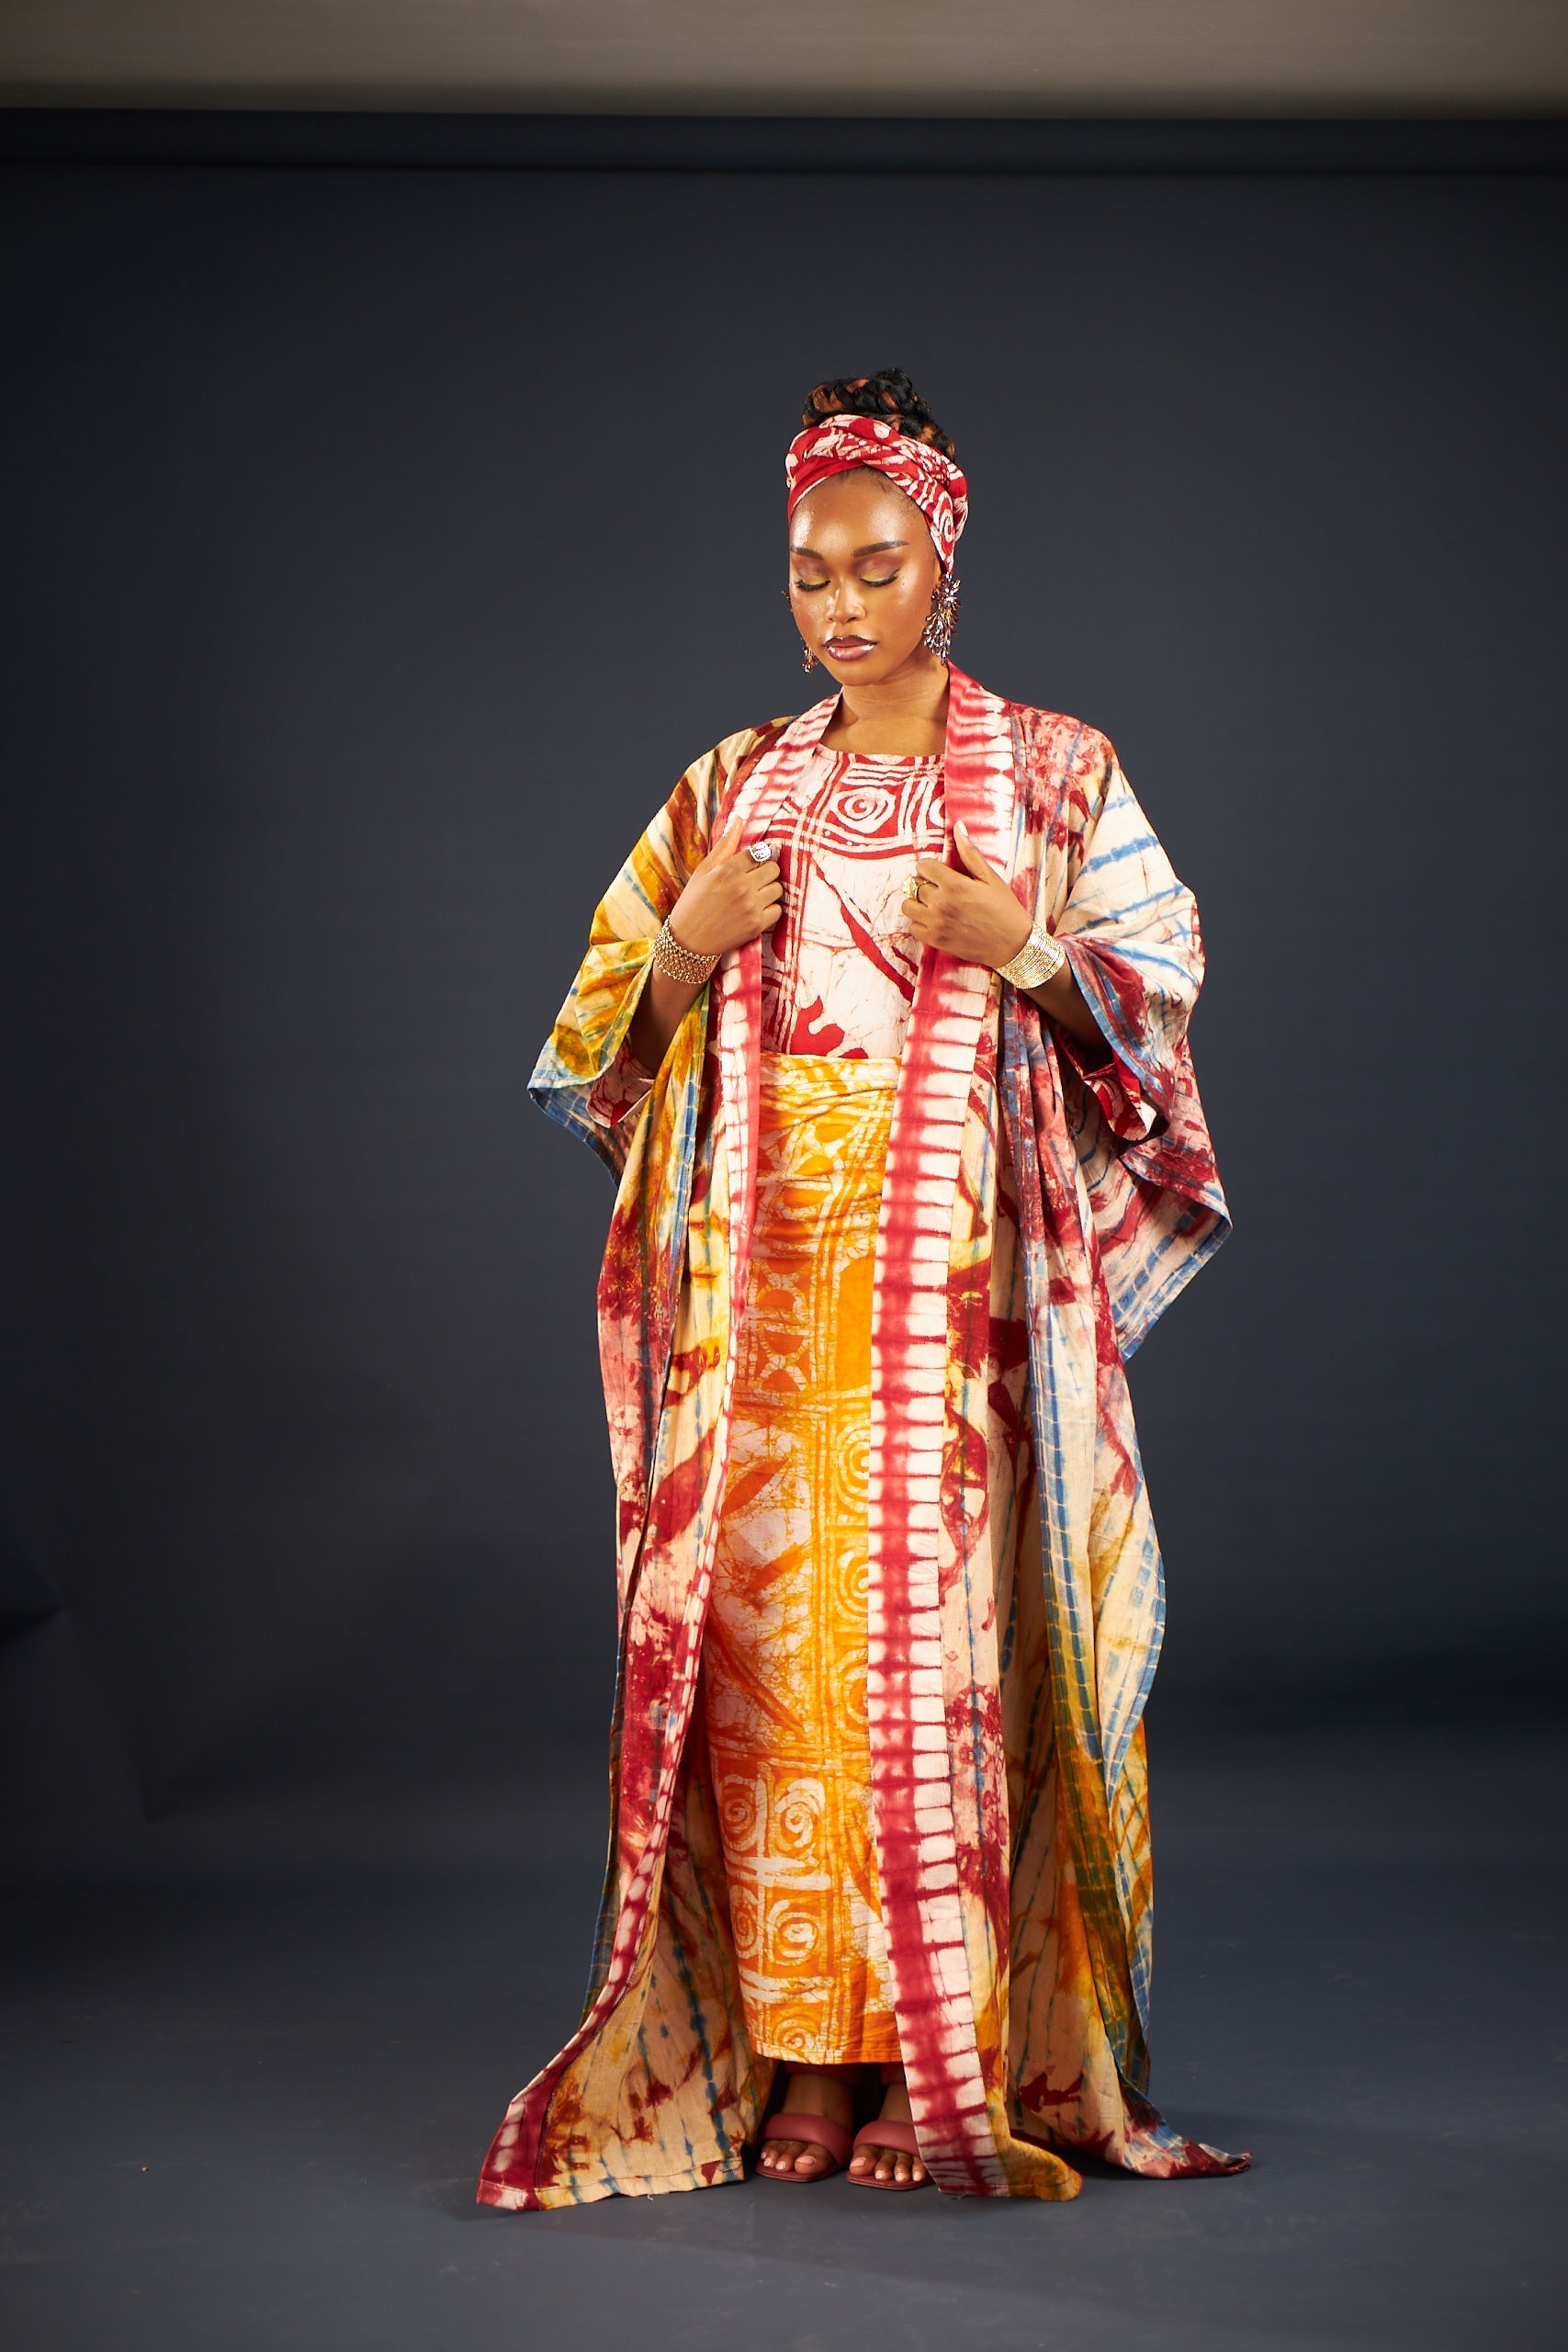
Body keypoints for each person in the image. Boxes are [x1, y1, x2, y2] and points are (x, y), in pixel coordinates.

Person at [477, 369, 1247, 2206]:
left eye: (875, 566)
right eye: (809, 570)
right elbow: (595, 1045)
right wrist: (681, 947)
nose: (838, 603)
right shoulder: (734, 783)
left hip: (957, 1317)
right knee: (775, 1688)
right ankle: (808, 2056)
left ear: (944, 565)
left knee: (949, 1663)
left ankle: (939, 2051)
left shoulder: (1053, 772)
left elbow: (1159, 993)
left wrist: (1026, 944)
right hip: (764, 1318)